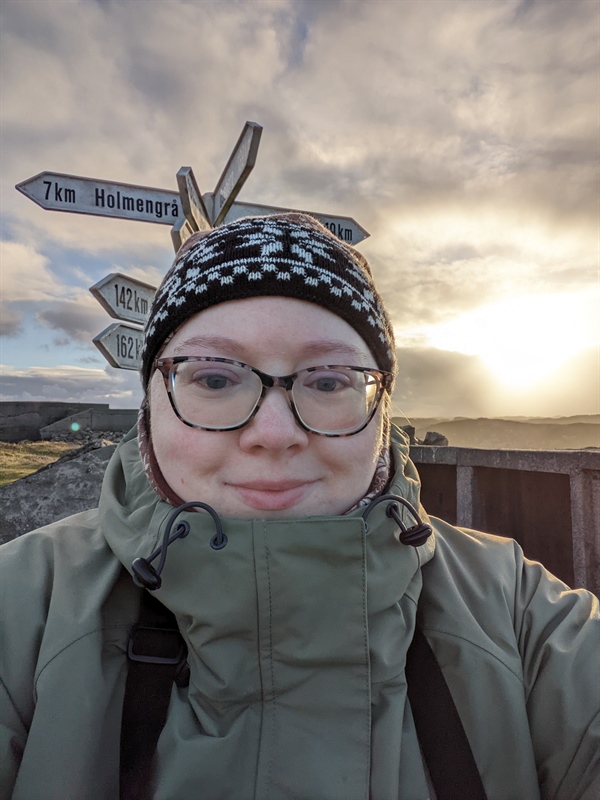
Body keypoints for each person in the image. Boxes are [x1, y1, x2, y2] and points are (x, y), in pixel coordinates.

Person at [0, 213, 598, 800]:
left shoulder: (519, 614)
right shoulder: (22, 606)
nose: (275, 432)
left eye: (330, 382)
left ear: (381, 411)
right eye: (213, 379)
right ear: (150, 405)